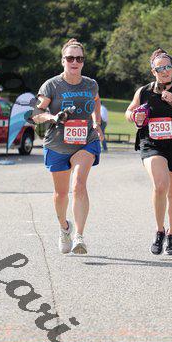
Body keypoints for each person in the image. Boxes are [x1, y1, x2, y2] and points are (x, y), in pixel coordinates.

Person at [32, 38, 104, 255]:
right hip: (57, 144)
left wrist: (96, 123)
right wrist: (53, 117)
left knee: (79, 185)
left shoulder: (90, 84)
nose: (75, 62)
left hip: (86, 141)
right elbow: (36, 114)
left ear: (83, 62)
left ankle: (79, 236)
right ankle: (64, 228)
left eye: (79, 58)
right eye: (70, 58)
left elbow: (96, 100)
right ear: (63, 60)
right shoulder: (52, 85)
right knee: (61, 194)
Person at [125, 48, 172, 255]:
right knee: (160, 186)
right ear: (153, 71)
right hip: (153, 144)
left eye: (168, 67)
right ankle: (159, 231)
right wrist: (134, 116)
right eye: (160, 68)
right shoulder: (144, 91)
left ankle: (171, 234)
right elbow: (129, 111)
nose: (165, 71)